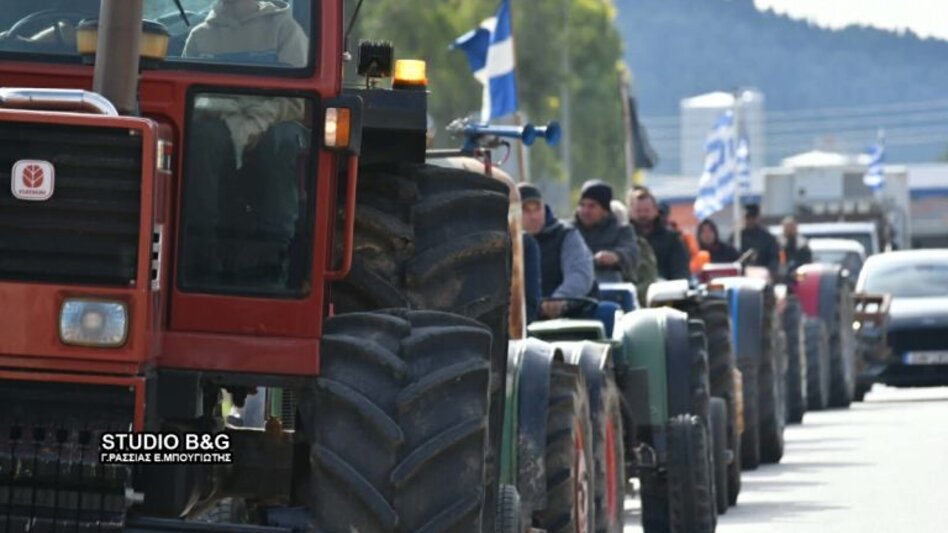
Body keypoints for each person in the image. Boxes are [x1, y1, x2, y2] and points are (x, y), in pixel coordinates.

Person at [179, 0, 310, 288]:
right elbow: (190, 99)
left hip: (272, 125)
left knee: (281, 141)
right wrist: (231, 119)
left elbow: (298, 97)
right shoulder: (201, 37)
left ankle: (273, 264)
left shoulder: (283, 29)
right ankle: (200, 260)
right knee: (201, 139)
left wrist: (256, 122)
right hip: (219, 127)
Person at [519, 183, 595, 319]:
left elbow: (580, 273)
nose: (534, 216)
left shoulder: (566, 235)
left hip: (570, 315)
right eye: (525, 210)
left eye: (537, 209)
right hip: (520, 317)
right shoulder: (501, 242)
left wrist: (560, 299)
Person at [568, 180, 639, 284]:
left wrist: (616, 256)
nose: (585, 211)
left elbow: (631, 252)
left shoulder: (620, 229)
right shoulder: (569, 230)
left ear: (605, 210)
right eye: (582, 205)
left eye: (592, 206)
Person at [628, 187, 691, 281]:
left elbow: (680, 272)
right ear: (631, 212)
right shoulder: (623, 238)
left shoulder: (672, 239)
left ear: (655, 211)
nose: (643, 215)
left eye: (646, 211)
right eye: (638, 211)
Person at [738, 204, 780, 279]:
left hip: (762, 275)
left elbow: (774, 258)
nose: (750, 221)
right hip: (741, 275)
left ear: (758, 218)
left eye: (753, 218)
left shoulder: (768, 238)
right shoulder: (737, 237)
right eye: (748, 218)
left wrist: (771, 272)